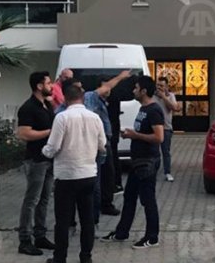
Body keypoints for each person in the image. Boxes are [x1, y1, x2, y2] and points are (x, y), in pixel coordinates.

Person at [42, 83, 107, 263]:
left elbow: (53, 147)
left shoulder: (62, 118)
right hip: (88, 173)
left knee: (63, 220)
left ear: (65, 98)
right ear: (82, 98)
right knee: (87, 219)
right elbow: (102, 144)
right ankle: (85, 257)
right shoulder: (94, 117)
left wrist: (45, 151)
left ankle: (60, 259)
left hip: (66, 175)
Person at [55, 70, 131, 222]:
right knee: (92, 184)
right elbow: (106, 87)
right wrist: (121, 76)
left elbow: (107, 87)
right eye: (79, 88)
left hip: (81, 152)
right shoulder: (84, 101)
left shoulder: (62, 111)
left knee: (85, 184)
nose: (82, 90)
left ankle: (80, 219)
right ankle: (88, 219)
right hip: (88, 150)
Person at [100, 76, 165, 249]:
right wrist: (131, 134)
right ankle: (122, 232)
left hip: (147, 161)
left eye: (136, 88)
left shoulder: (154, 110)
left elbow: (159, 137)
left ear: (144, 91)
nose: (133, 90)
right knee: (129, 196)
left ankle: (152, 237)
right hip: (138, 161)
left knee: (147, 200)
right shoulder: (143, 109)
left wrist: (135, 136)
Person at [16, 71, 57, 256]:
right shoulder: (28, 108)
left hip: (48, 159)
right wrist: (49, 132)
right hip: (35, 160)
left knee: (44, 199)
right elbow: (24, 133)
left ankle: (40, 235)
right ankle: (25, 239)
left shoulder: (46, 105)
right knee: (32, 199)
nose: (51, 86)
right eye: (48, 83)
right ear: (39, 86)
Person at [154, 76, 181, 182]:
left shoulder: (170, 96)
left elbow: (174, 108)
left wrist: (164, 97)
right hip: (154, 128)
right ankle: (153, 172)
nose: (159, 88)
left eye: (161, 86)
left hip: (166, 128)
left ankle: (167, 172)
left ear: (166, 87)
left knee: (166, 151)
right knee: (155, 152)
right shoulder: (152, 96)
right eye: (157, 85)